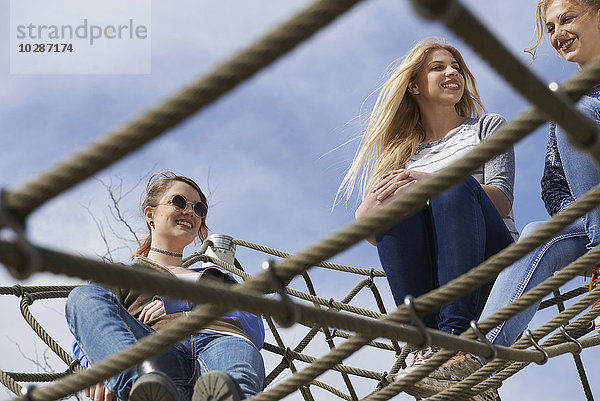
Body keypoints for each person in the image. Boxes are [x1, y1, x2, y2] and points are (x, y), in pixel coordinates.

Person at [337, 38, 516, 398]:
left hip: (489, 261)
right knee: (395, 211)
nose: (452, 72)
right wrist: (372, 205)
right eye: (439, 67)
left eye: (457, 67)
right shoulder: (402, 157)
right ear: (415, 85)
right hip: (433, 276)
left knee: (453, 186)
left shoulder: (487, 127)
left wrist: (431, 181)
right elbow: (372, 231)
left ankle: (453, 341)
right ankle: (425, 344)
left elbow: (502, 200)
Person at [65, 171, 265, 401]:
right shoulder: (123, 275)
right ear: (150, 213)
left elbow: (254, 328)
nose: (190, 211)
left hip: (223, 342)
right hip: (154, 351)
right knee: (81, 296)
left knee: (235, 389)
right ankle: (138, 384)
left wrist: (181, 300)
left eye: (198, 209)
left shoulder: (215, 277)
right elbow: (90, 318)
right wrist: (97, 362)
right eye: (179, 201)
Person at [479, 0, 600, 352]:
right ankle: (477, 354)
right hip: (595, 227)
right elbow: (553, 186)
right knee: (536, 235)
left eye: (568, 19)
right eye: (550, 28)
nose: (558, 34)